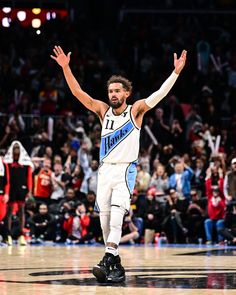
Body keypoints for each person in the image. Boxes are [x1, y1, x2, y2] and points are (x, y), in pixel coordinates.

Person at [51, 45, 187, 283]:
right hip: (104, 170)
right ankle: (115, 262)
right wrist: (66, 67)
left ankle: (108, 257)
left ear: (126, 93)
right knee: (104, 219)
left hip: (125, 169)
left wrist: (175, 73)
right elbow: (77, 93)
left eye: (117, 91)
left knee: (116, 215)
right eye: (110, 91)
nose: (112, 94)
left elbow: (159, 94)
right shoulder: (103, 111)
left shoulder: (135, 111)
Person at [4, 141, 34, 246]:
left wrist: (30, 191)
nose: (16, 150)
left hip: (22, 188)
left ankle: (21, 235)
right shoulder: (7, 163)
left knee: (21, 211)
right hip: (11, 189)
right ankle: (8, 235)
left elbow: (29, 178)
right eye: (14, 148)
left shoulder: (26, 164)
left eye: (18, 148)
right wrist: (6, 192)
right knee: (9, 212)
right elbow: (6, 179)